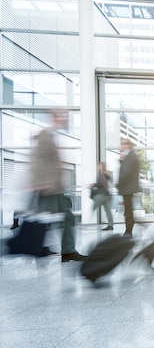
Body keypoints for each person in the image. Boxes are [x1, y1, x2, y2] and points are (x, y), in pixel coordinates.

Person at [30, 110, 85, 262]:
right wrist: (40, 182)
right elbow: (37, 160)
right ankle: (66, 251)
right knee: (62, 218)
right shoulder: (45, 135)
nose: (66, 119)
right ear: (55, 117)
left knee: (50, 218)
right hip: (49, 188)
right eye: (63, 116)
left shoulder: (51, 136)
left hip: (53, 187)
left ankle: (48, 249)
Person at [117, 138, 141, 237]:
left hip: (128, 187)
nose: (121, 146)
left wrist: (118, 183)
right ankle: (129, 229)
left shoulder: (131, 156)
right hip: (127, 187)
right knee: (128, 210)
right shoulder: (129, 156)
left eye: (123, 144)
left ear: (128, 145)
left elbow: (126, 172)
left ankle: (128, 231)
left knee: (128, 211)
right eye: (121, 144)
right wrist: (122, 160)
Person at [91, 162, 114, 231]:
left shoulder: (102, 174)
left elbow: (101, 183)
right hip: (107, 194)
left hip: (102, 195)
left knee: (93, 207)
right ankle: (110, 225)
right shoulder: (106, 174)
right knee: (108, 210)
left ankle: (87, 222)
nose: (97, 167)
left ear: (102, 167)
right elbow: (110, 182)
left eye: (99, 166)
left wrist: (93, 185)